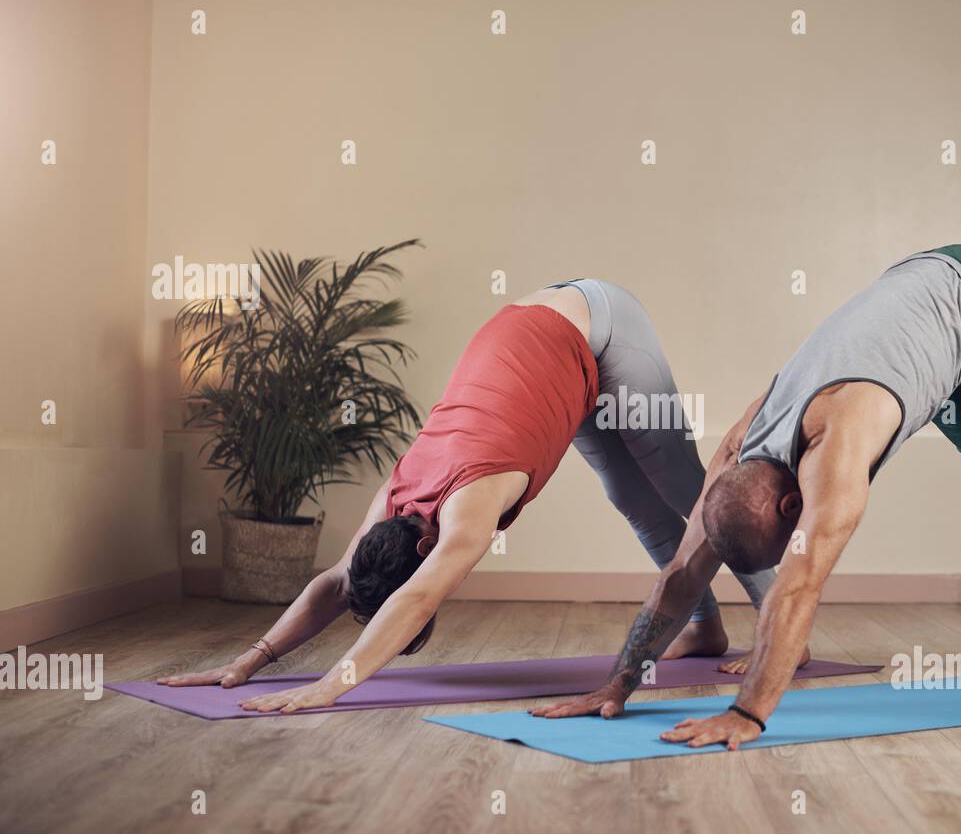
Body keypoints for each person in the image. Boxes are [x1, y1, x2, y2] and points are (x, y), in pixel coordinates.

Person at [531, 245, 961, 751]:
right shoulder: (736, 454)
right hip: (920, 319)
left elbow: (800, 588)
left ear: (791, 508)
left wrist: (747, 713)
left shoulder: (837, 455)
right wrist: (618, 684)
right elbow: (679, 578)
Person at [159, 279, 772, 712]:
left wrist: (333, 683)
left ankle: (780, 630)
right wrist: (252, 659)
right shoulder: (395, 500)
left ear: (428, 542)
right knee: (632, 499)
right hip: (545, 347)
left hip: (600, 324)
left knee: (698, 497)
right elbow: (337, 580)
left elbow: (420, 594)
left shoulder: (465, 509)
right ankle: (704, 627)